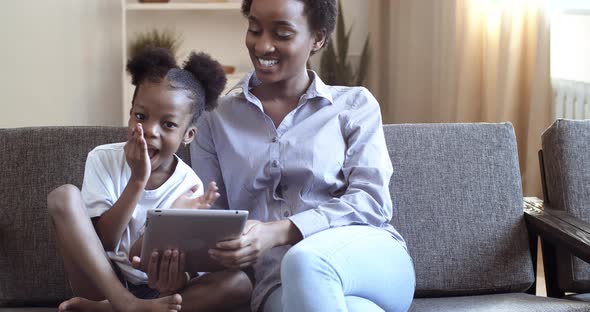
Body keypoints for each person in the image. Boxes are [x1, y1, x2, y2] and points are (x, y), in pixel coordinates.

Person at [188, 0, 416, 311]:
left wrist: (279, 232)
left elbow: (371, 201)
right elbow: (213, 218)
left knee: (305, 260)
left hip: (371, 262)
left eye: (282, 34)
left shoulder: (354, 106)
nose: (262, 45)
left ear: (318, 39)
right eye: (254, 29)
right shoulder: (214, 119)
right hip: (276, 282)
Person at [47, 47, 252, 312]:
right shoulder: (103, 159)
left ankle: (119, 310)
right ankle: (124, 304)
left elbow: (141, 258)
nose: (150, 131)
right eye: (141, 117)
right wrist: (137, 180)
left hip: (156, 288)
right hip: (101, 284)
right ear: (130, 112)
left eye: (168, 124)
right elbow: (106, 242)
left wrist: (178, 275)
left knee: (240, 284)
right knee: (62, 196)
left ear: (188, 135)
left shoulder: (189, 185)